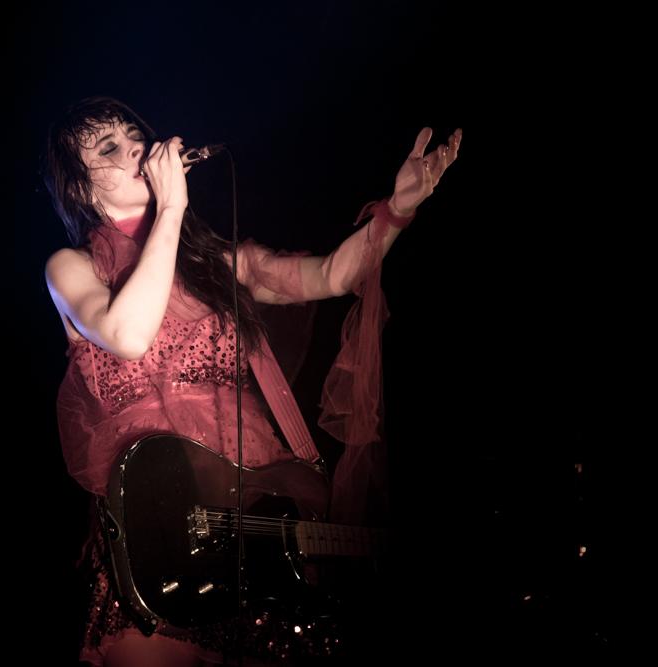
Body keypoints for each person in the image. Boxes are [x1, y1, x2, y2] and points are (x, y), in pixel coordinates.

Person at [43, 96, 461, 666]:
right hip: (158, 526)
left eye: (133, 134)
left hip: (250, 505)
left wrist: (398, 210)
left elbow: (332, 274)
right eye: (108, 147)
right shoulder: (71, 268)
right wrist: (171, 208)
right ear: (82, 190)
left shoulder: (213, 263)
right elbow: (129, 334)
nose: (135, 146)